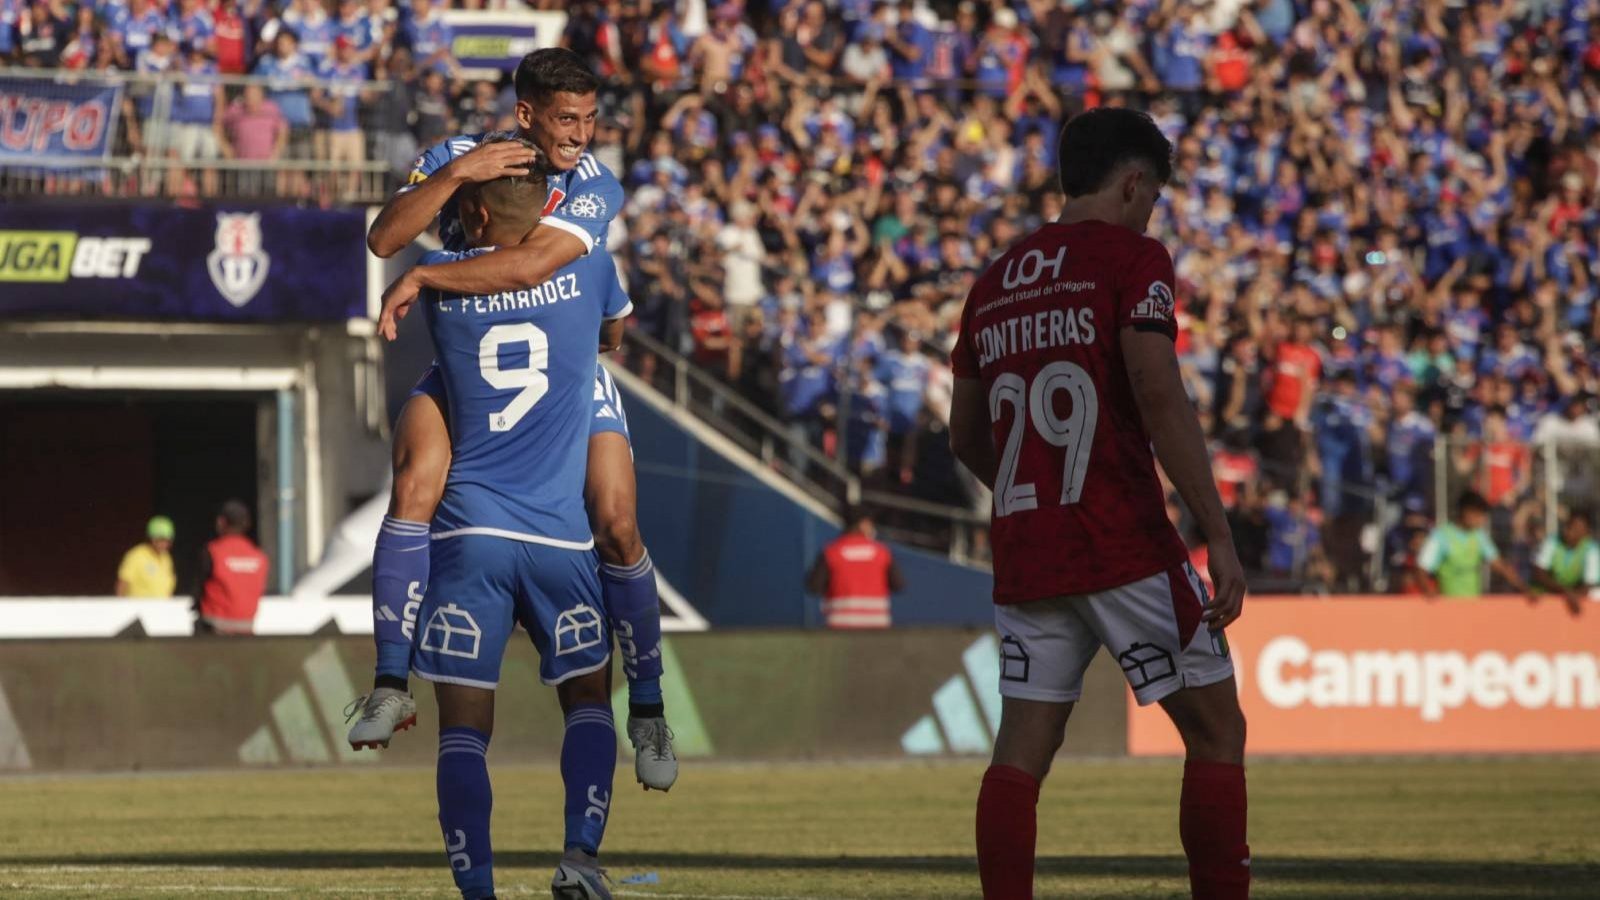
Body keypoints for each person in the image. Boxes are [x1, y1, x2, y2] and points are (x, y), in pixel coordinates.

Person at [351, 49, 677, 793]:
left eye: (592, 119)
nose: (581, 135)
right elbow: (383, 236)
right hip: (469, 360)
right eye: (568, 119)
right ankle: (391, 680)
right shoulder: (455, 159)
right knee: (413, 485)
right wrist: (456, 177)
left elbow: (531, 267)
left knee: (618, 519)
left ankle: (651, 708)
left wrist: (429, 275)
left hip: (565, 370)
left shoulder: (595, 183)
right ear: (526, 114)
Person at [948, 108, 1249, 900]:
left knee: (1021, 751)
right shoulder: (1134, 257)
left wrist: (1037, 492)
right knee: (1217, 729)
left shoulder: (994, 280)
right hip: (1124, 540)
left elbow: (965, 437)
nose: (1153, 211)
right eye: (1153, 196)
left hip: (1029, 550)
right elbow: (1157, 389)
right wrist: (1216, 532)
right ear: (1132, 181)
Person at [404, 154, 622, 900]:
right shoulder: (591, 272)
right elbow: (610, 339)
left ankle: (478, 893)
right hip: (562, 538)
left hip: (470, 536)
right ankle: (580, 859)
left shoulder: (443, 294)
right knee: (590, 700)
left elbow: (443, 256)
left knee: (463, 728)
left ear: (478, 216)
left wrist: (431, 263)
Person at [1418, 490, 1531, 599]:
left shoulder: (1479, 536)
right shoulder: (1441, 536)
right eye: (1479, 515)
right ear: (1467, 512)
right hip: (1449, 606)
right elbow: (1422, 568)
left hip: (1473, 605)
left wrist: (1524, 589)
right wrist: (1429, 592)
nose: (1482, 520)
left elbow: (1499, 565)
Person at [805, 510, 905, 628]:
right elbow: (899, 585)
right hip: (876, 626)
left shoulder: (831, 553)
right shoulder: (881, 553)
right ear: (863, 524)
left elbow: (814, 586)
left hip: (840, 625)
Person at [192, 500, 269, 636]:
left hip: (213, 629)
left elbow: (199, 588)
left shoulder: (213, 551)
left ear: (221, 522)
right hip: (246, 629)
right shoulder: (259, 557)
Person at [1531, 510, 1599, 616]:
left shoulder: (1592, 550)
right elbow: (1539, 574)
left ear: (1586, 532)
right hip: (1551, 590)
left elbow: (1590, 583)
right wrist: (1566, 592)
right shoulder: (1552, 542)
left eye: (1576, 529)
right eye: (1569, 526)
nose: (1569, 531)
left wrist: (1574, 595)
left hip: (1575, 594)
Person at [116, 516, 176, 598]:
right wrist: (121, 607)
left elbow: (168, 587)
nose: (164, 543)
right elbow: (122, 584)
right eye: (160, 539)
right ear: (151, 538)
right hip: (138, 608)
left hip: (162, 608)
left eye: (167, 540)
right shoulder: (136, 555)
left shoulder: (166, 558)